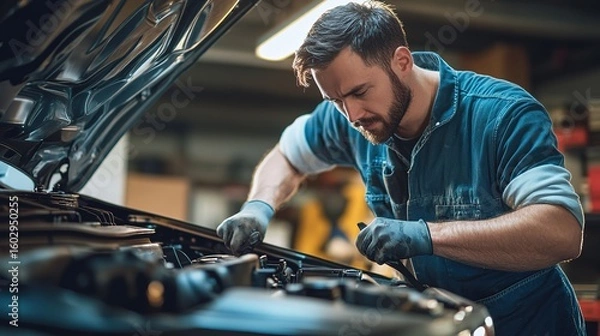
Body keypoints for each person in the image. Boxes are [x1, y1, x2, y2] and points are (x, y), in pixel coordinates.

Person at [216, 1, 586, 335]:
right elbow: (288, 154)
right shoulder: (348, 116)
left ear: (402, 62)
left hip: (526, 322)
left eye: (360, 92)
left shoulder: (501, 115)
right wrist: (258, 208)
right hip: (439, 321)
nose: (353, 115)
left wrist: (426, 236)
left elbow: (561, 231)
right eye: (335, 100)